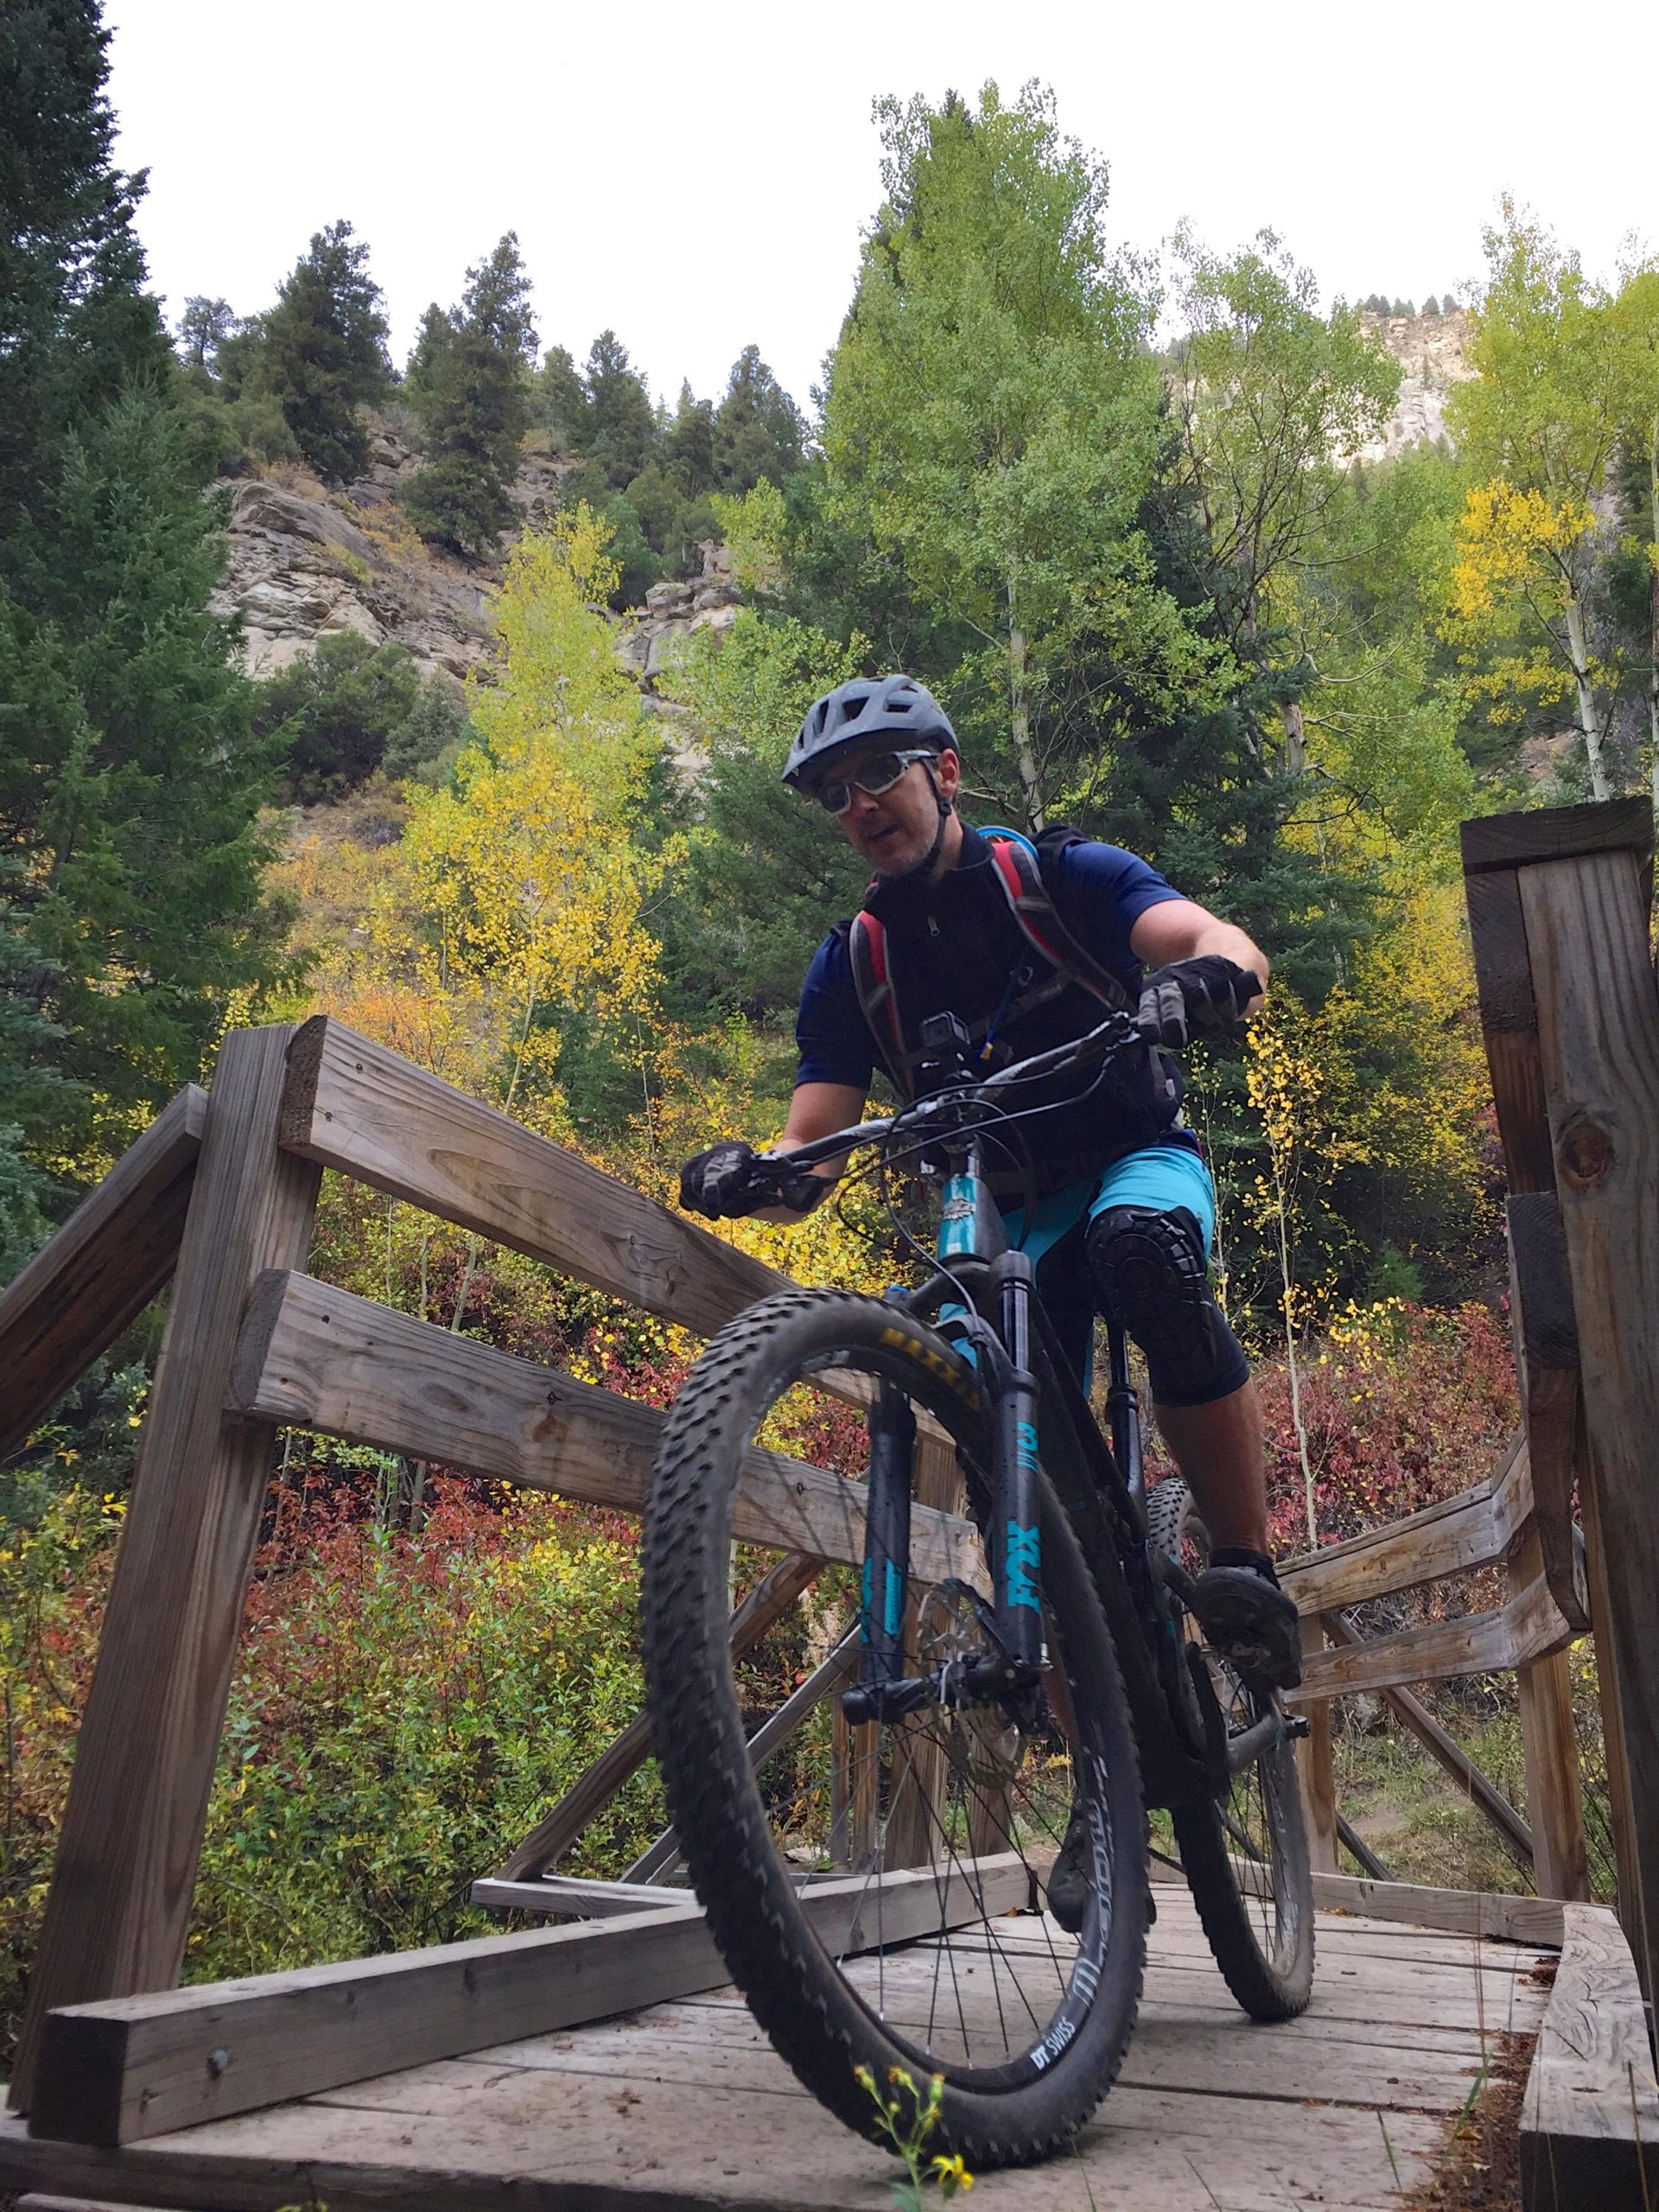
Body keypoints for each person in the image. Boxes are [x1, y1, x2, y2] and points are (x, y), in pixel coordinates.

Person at [678, 672, 1299, 1700]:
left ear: (947, 772)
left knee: (1141, 1248)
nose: (860, 803)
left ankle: (1244, 1566)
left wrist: (1205, 978)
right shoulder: (854, 963)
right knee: (991, 1398)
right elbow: (814, 1155)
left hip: (1133, 1153)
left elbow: (1219, 942)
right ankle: (1093, 1745)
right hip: (1011, 1216)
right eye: (835, 792)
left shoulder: (1062, 876)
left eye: (880, 771)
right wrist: (750, 1175)